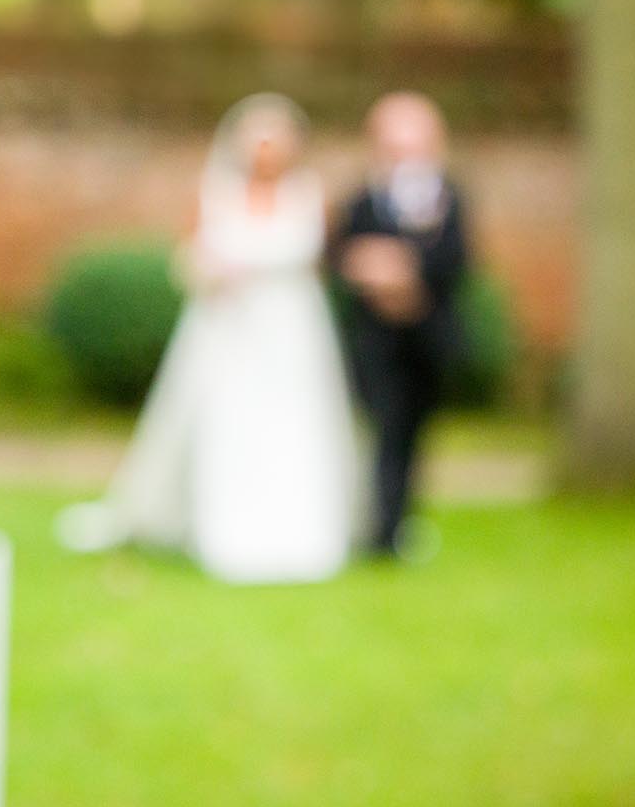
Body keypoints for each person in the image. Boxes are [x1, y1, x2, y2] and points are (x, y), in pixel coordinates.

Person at [59, 94, 357, 584]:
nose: (268, 150)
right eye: (259, 139)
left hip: (293, 334)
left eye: (278, 139)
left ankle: (301, 530)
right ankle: (229, 528)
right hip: (230, 334)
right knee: (232, 428)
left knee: (293, 428)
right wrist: (211, 271)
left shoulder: (311, 195)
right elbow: (189, 257)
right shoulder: (215, 192)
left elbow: (325, 263)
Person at [332, 91, 472, 556]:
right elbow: (338, 258)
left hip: (428, 338)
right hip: (376, 342)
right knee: (383, 429)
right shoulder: (361, 201)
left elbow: (458, 260)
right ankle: (381, 528)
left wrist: (406, 272)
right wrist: (369, 272)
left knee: (412, 434)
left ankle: (397, 521)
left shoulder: (450, 199)